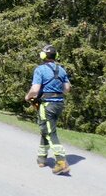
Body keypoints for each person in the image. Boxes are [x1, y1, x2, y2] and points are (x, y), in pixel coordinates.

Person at [25, 44, 72, 175]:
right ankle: (42, 158)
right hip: (59, 104)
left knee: (50, 132)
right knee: (46, 129)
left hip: (47, 105)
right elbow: (67, 88)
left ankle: (61, 162)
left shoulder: (40, 70)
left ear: (43, 56)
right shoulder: (61, 70)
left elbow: (35, 90)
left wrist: (28, 97)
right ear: (56, 56)